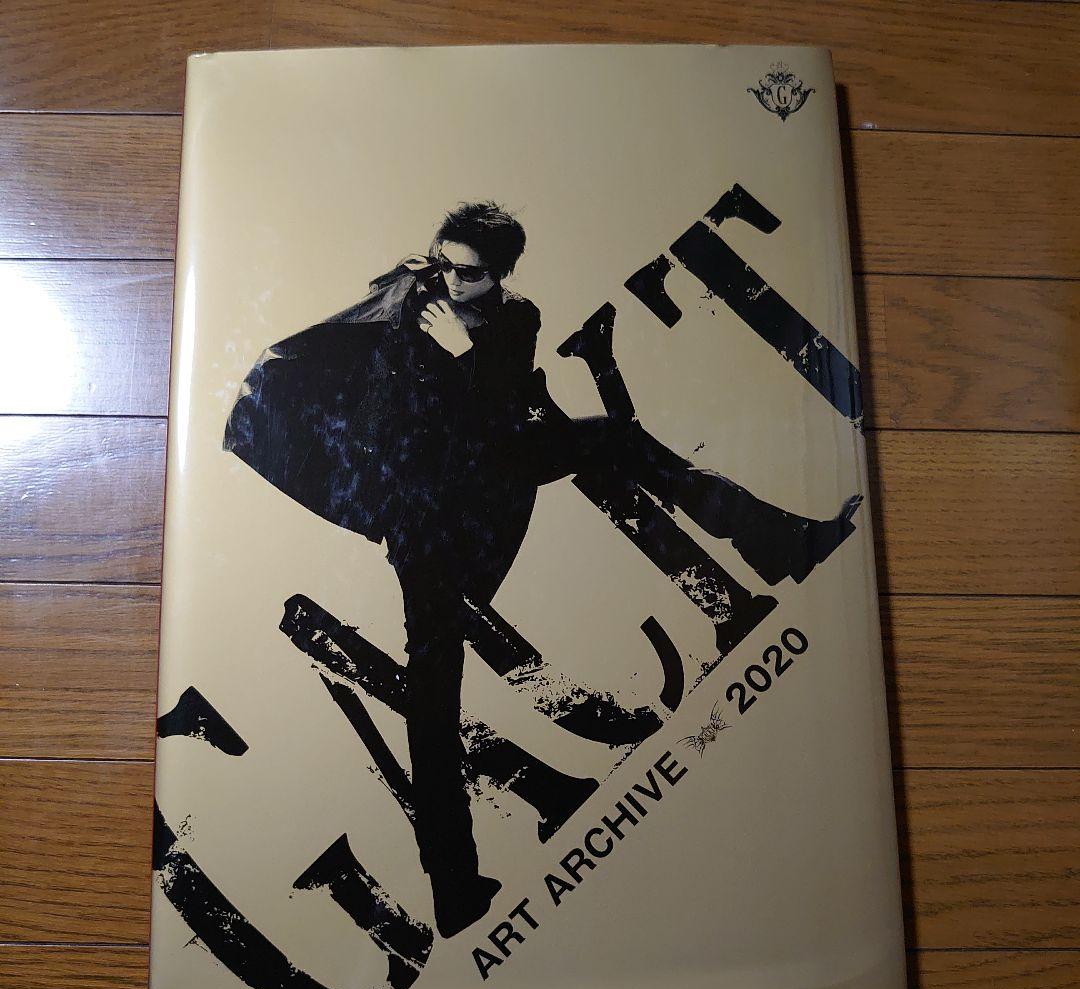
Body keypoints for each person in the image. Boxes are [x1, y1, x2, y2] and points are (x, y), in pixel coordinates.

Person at [225, 200, 861, 938]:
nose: (448, 279)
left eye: (468, 273)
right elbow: (349, 398)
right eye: (442, 260)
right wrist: (369, 484)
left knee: (615, 437)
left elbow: (493, 418)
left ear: (499, 276)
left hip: (491, 473)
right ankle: (454, 887)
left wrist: (463, 350)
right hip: (426, 519)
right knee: (434, 692)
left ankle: (782, 544)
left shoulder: (515, 320)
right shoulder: (404, 300)